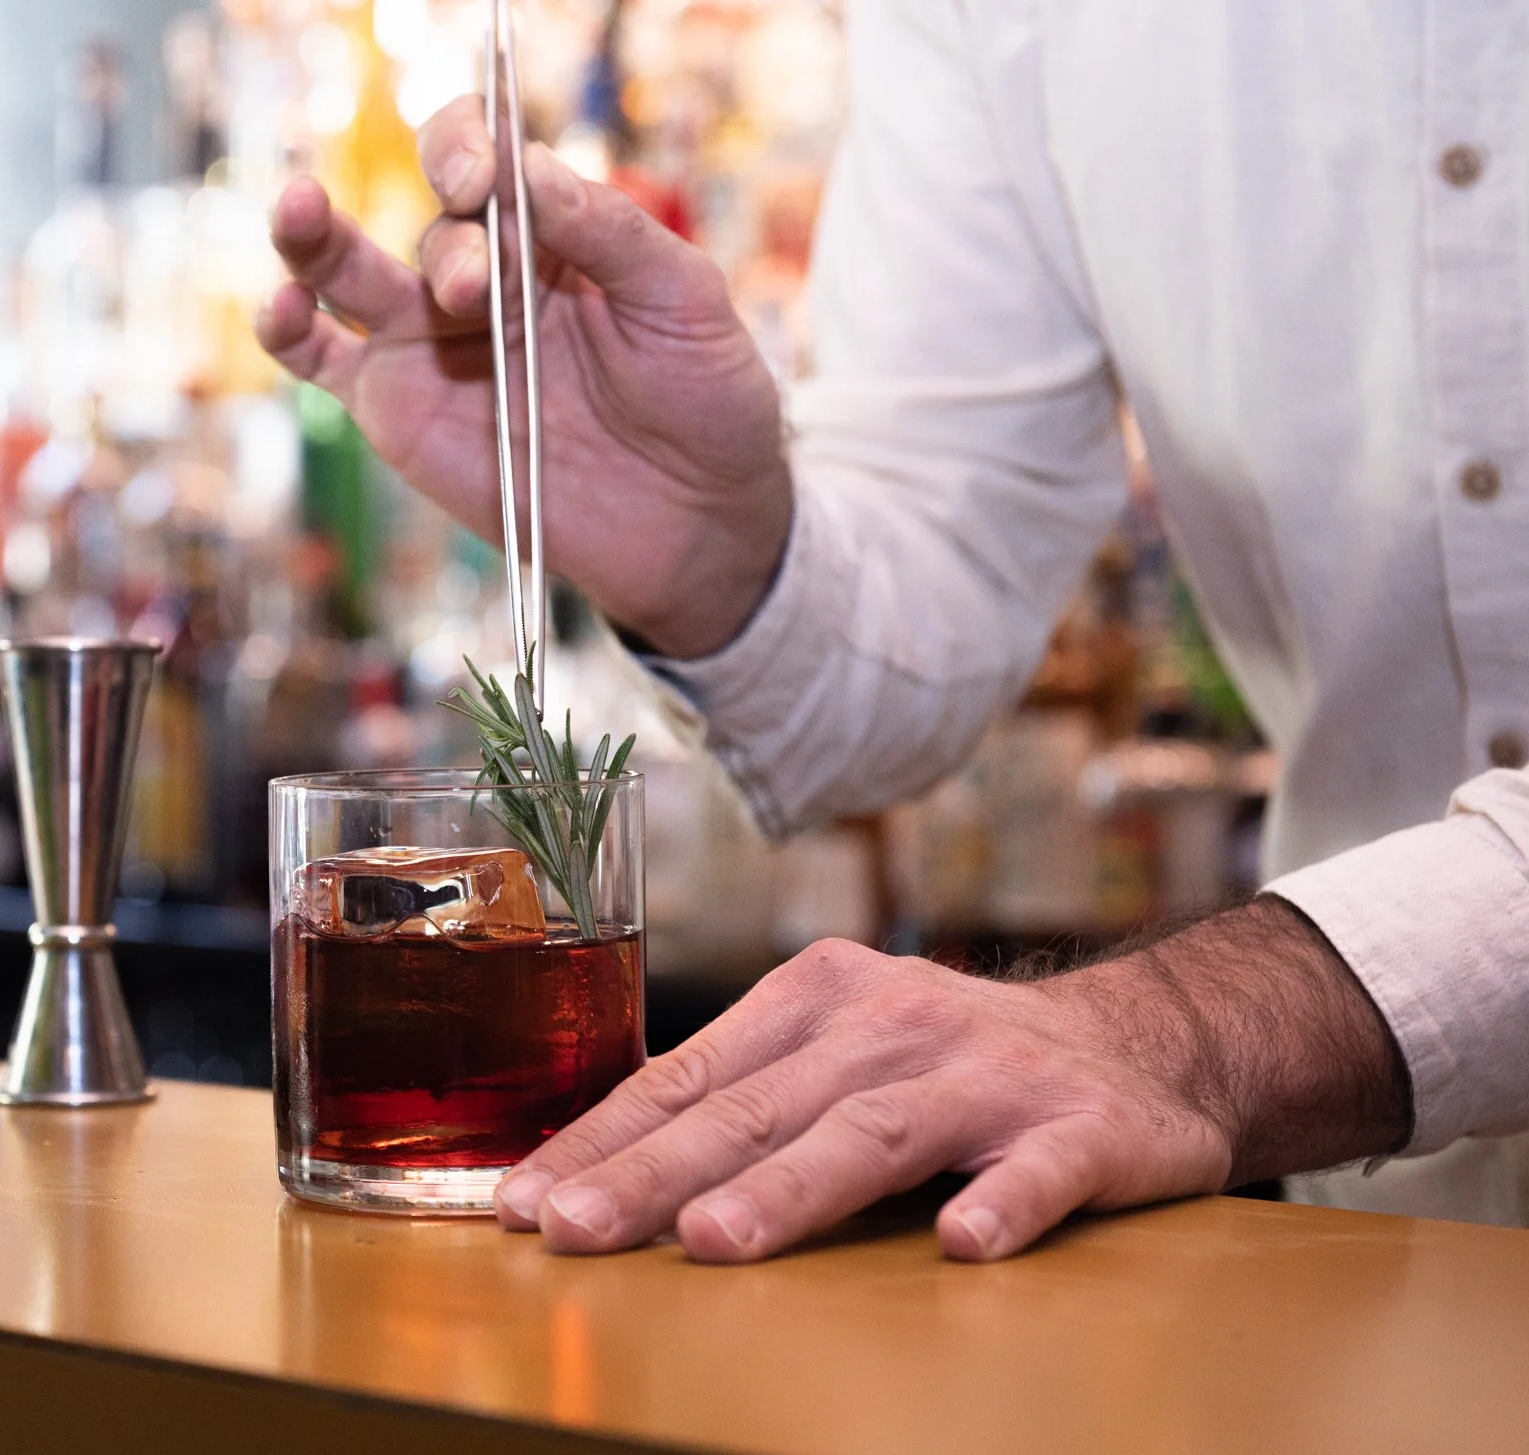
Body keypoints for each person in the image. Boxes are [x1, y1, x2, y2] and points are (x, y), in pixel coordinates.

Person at [255, 1, 1529, 1260]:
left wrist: (1200, 1025)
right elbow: (924, 606)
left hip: (1298, 1119)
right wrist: (722, 560)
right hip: (1379, 1249)